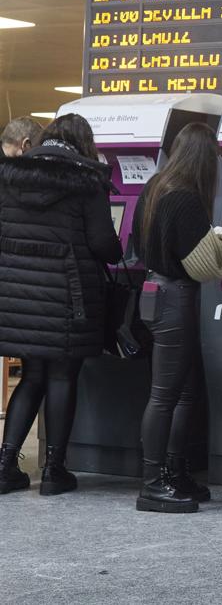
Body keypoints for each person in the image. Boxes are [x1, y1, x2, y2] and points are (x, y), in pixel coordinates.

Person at [0, 114, 123, 496]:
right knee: (61, 376)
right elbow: (103, 243)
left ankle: (5, 466)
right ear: (84, 143)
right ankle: (54, 470)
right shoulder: (87, 180)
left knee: (33, 375)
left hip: (19, 295)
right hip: (68, 296)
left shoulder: (11, 175)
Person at [132, 123, 222, 513]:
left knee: (184, 391)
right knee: (166, 395)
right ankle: (153, 481)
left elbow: (139, 244)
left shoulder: (155, 186)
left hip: (154, 292)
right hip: (176, 297)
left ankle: (174, 470)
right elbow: (203, 267)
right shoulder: (188, 199)